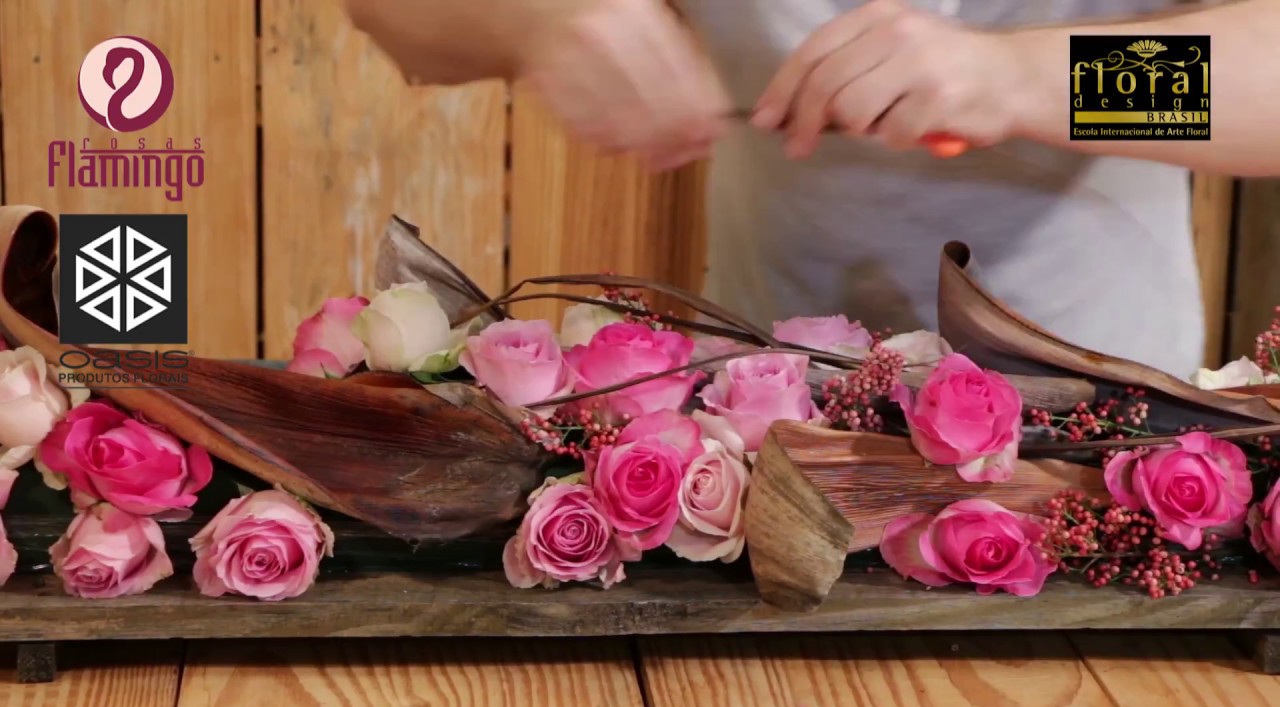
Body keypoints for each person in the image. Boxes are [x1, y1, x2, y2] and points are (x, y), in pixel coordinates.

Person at [344, 0, 1275, 379]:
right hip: (756, 424)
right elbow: (396, 19)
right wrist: (537, 18)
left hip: (1101, 436)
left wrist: (1030, 80)